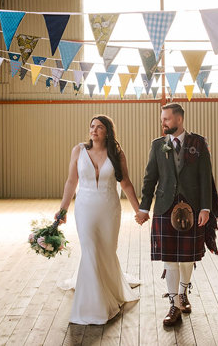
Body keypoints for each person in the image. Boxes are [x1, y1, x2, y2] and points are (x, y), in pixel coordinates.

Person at [55, 115, 141, 325]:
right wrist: (62, 210)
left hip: (109, 208)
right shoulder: (78, 151)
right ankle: (92, 306)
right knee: (90, 250)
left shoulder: (117, 154)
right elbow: (70, 181)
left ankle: (111, 288)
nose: (93, 130)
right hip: (84, 208)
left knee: (107, 250)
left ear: (107, 132)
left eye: (99, 127)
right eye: (92, 126)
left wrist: (139, 210)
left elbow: (126, 183)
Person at [135, 103, 214, 326]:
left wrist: (206, 208)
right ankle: (173, 305)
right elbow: (150, 178)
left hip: (192, 208)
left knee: (188, 259)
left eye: (167, 119)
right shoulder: (158, 145)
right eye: (163, 119)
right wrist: (143, 207)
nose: (163, 123)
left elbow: (205, 177)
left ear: (179, 119)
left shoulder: (198, 143)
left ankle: (183, 294)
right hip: (164, 206)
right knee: (170, 259)